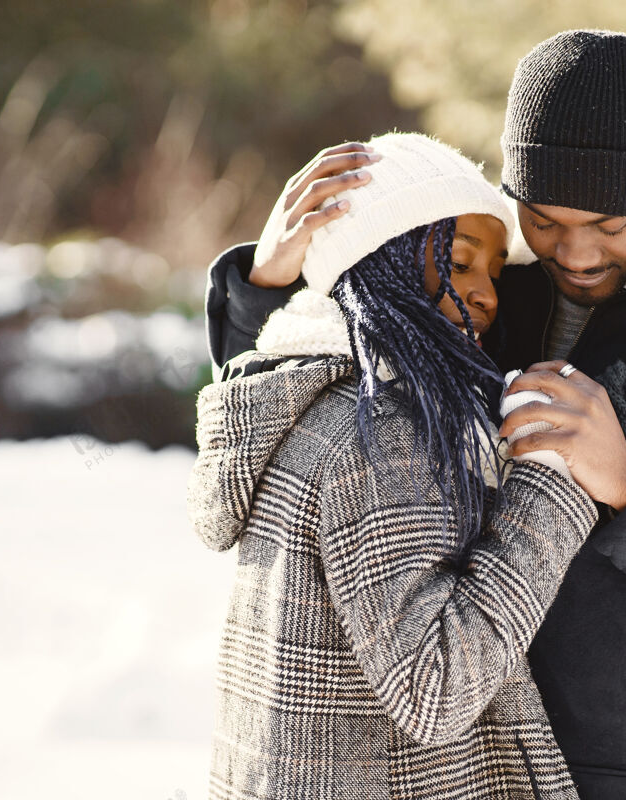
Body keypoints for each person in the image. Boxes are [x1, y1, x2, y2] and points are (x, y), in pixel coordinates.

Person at [208, 31, 626, 800]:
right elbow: (315, 391)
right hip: (471, 763)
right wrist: (270, 286)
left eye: (610, 226)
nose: (577, 253)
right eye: (547, 220)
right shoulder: (492, 290)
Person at [187, 132, 599, 799]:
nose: (488, 295)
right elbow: (433, 690)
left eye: (492, 272)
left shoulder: (297, 392)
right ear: (383, 260)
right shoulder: (381, 430)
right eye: (461, 263)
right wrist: (553, 482)